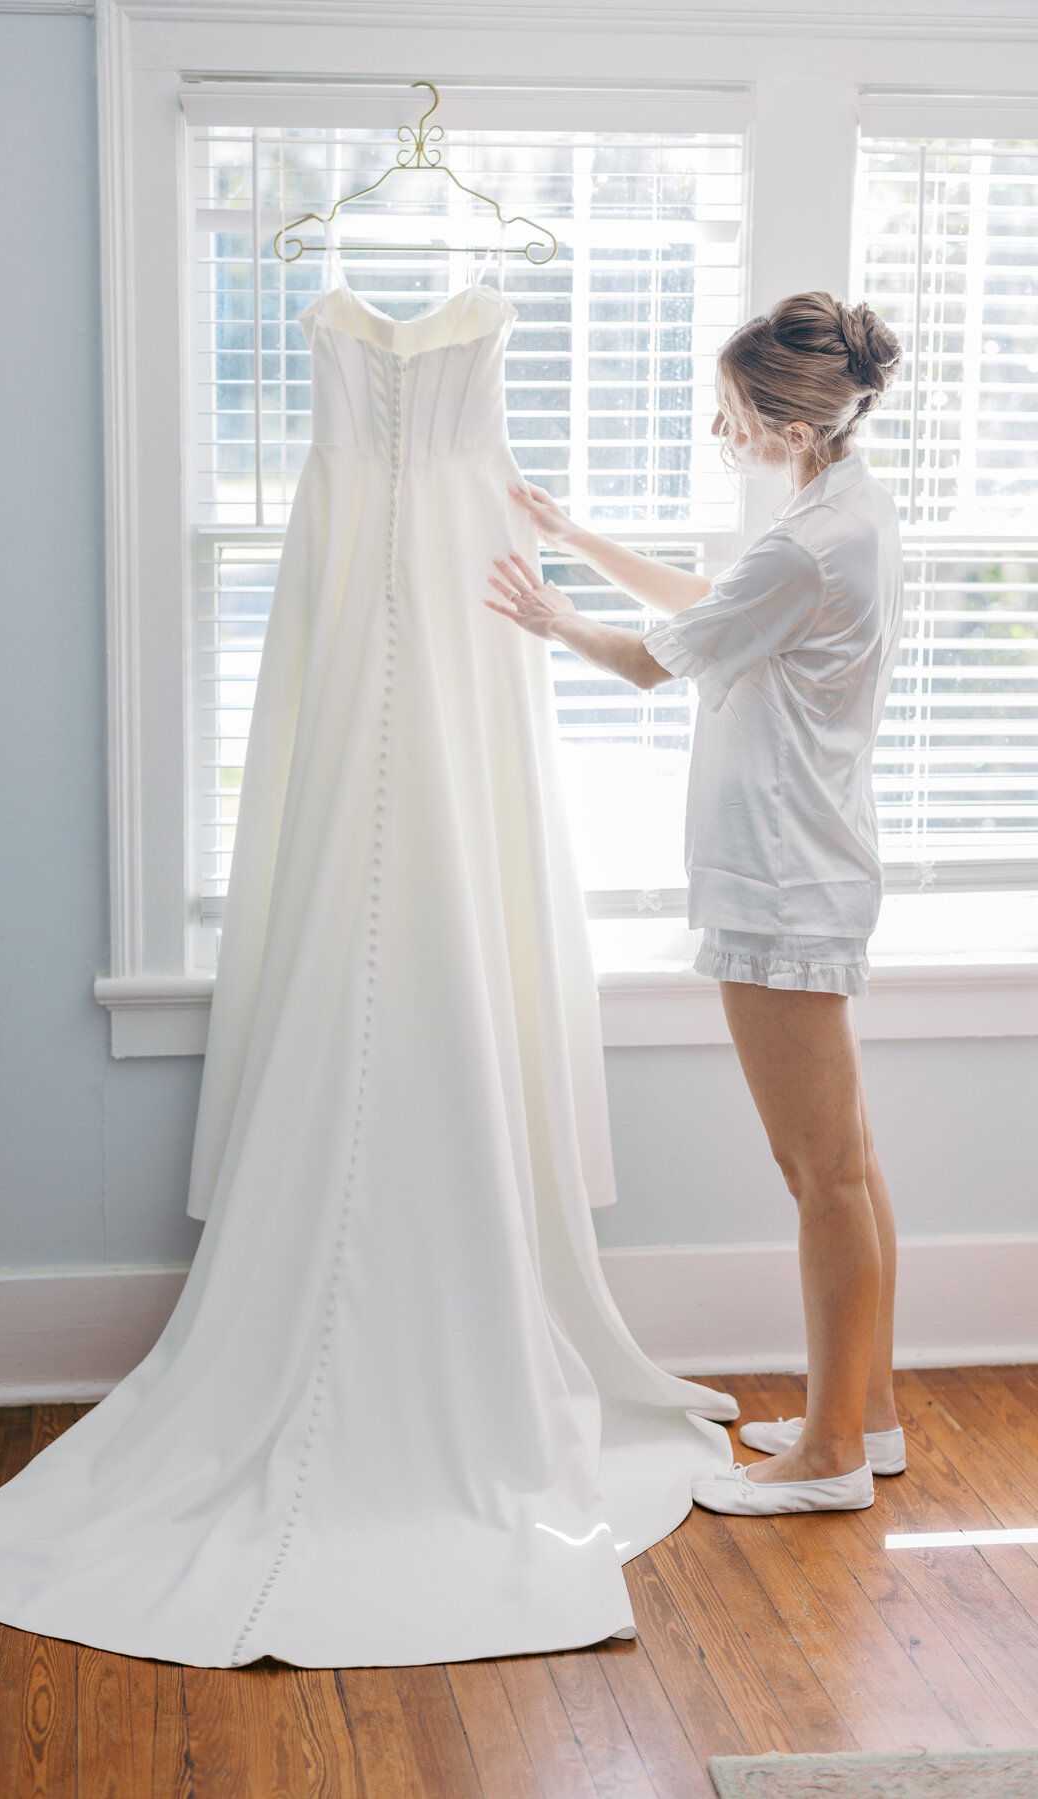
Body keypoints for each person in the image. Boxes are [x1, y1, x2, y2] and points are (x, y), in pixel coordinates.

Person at [486, 290, 906, 1517]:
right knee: (852, 1163)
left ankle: (829, 1457)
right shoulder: (842, 511)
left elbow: (648, 658)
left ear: (786, 423)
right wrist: (581, 539)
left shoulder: (808, 544)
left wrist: (551, 612)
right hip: (811, 864)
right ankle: (863, 1416)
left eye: (731, 420)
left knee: (819, 1171)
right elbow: (713, 599)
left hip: (781, 882)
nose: (721, 438)